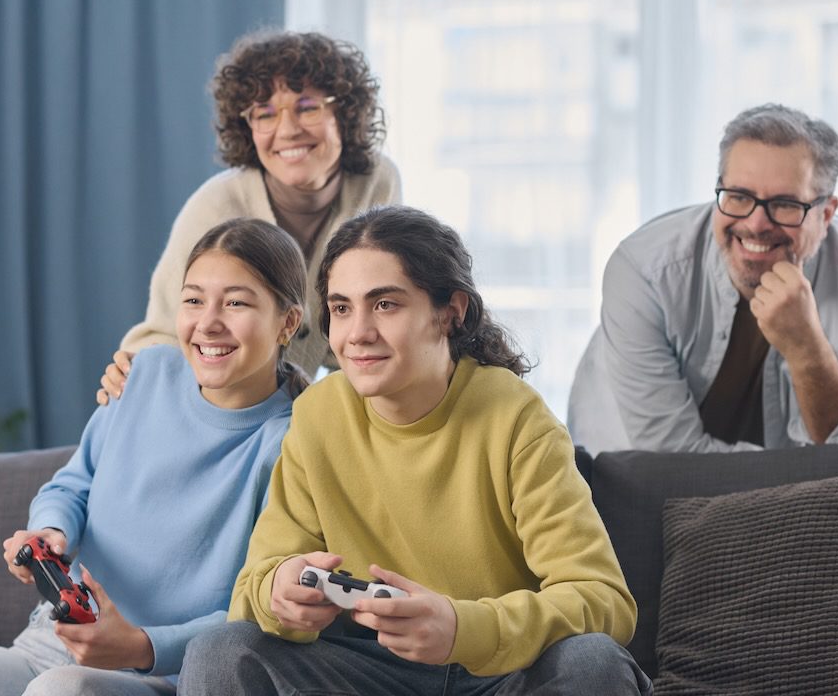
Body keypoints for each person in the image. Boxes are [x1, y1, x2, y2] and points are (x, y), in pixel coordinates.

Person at [178, 206, 651, 696]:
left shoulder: (517, 418)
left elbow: (603, 600)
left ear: (450, 313)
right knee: (219, 651)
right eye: (342, 309)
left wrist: (462, 627)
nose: (358, 333)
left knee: (593, 662)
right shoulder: (318, 415)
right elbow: (251, 589)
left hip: (497, 674)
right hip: (366, 670)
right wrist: (280, 589)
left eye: (385, 305)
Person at [0, 219, 308, 695]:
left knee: (61, 691)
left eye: (235, 303)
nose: (208, 322)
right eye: (193, 300)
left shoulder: (290, 442)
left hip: (163, 672)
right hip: (49, 645)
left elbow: (260, 607)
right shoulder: (144, 372)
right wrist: (51, 532)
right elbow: (72, 484)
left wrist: (142, 646)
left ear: (288, 322)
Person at [568, 103, 838, 455]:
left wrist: (807, 348)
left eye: (785, 204)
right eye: (739, 197)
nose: (756, 223)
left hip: (785, 488)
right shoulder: (645, 270)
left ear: (827, 214)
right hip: (620, 468)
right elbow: (669, 458)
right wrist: (792, 476)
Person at [97, 30, 401, 406]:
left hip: (292, 406)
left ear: (345, 112)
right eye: (265, 114)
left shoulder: (378, 183)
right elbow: (166, 333)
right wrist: (137, 372)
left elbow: (369, 312)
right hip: (215, 403)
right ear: (247, 128)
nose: (287, 130)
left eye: (307, 108)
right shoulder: (216, 206)